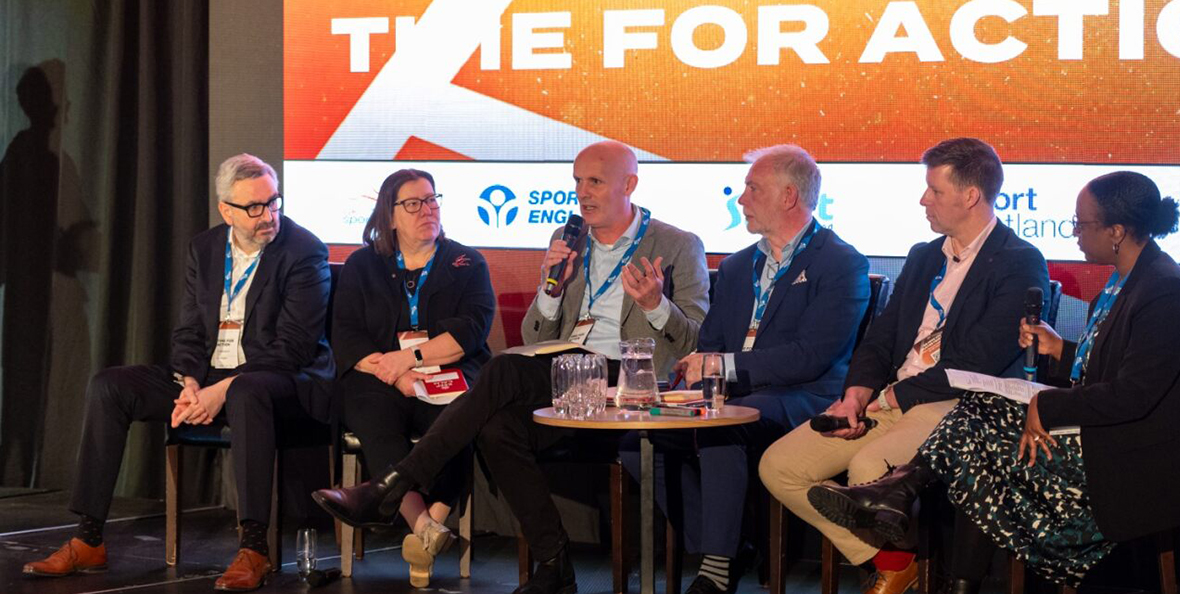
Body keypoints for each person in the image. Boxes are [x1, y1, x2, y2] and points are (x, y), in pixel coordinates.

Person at [312, 140, 710, 594]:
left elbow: (696, 341)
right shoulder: (568, 242)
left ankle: (389, 488)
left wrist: (656, 305)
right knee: (497, 428)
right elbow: (537, 340)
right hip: (567, 373)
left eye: (595, 182)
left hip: (628, 377)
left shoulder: (677, 244)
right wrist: (551, 289)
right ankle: (554, 564)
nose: (583, 192)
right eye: (577, 182)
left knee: (498, 370)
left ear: (630, 184)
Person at [808, 171, 1180, 593]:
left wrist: (1048, 406)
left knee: (980, 453)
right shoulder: (1123, 283)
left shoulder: (1163, 291)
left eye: (1082, 224)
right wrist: (1060, 350)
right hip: (1114, 434)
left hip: (1144, 460)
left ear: (1116, 231)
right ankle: (906, 500)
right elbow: (1112, 369)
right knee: (979, 413)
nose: (1074, 233)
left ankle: (906, 500)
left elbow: (1134, 395)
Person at [22, 154, 334, 592]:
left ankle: (254, 548)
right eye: (255, 207)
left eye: (274, 202)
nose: (269, 215)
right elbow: (188, 330)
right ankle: (89, 538)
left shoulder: (304, 250)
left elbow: (293, 348)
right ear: (226, 209)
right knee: (110, 386)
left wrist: (223, 389)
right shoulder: (204, 249)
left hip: (281, 383)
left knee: (246, 392)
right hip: (209, 378)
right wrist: (189, 381)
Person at [759, 138, 1049, 594]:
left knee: (868, 466)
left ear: (970, 196)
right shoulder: (922, 256)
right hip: (891, 396)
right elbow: (880, 338)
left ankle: (892, 577)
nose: (923, 200)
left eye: (934, 190)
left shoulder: (1018, 261)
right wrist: (858, 392)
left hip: (959, 405)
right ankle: (893, 562)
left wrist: (891, 396)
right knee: (780, 466)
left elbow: (978, 360)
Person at [620, 144, 871, 594]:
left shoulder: (840, 262)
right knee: (635, 437)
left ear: (789, 197)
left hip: (805, 396)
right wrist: (701, 368)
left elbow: (810, 356)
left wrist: (721, 366)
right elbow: (711, 343)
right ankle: (730, 545)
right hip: (732, 393)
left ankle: (715, 569)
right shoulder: (737, 266)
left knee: (723, 426)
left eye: (753, 189)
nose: (741, 200)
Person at [332, 168, 494, 587]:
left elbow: (470, 332)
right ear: (390, 216)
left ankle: (429, 526)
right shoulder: (362, 264)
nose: (427, 210)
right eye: (413, 203)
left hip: (449, 370)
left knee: (462, 413)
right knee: (370, 409)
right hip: (380, 379)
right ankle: (424, 524)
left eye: (432, 199)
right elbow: (347, 335)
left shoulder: (466, 262)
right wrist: (393, 371)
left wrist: (412, 360)